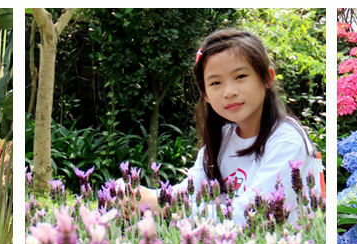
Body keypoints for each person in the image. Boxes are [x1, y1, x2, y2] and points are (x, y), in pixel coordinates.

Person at [133, 29, 322, 227]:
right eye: (215, 83)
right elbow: (188, 193)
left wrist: (164, 205)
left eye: (240, 76)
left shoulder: (287, 141)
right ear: (205, 93)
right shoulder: (222, 139)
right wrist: (142, 196)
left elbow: (254, 214)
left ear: (267, 78)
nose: (229, 92)